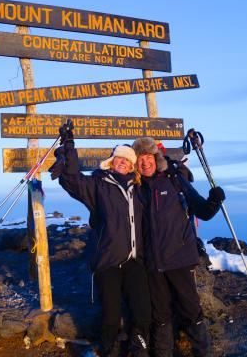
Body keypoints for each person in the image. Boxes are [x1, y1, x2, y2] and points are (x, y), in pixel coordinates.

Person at [49, 122, 151, 357]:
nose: (122, 161)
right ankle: (109, 350)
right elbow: (75, 181)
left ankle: (139, 348)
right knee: (111, 314)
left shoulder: (139, 189)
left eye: (127, 159)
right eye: (119, 158)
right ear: (112, 161)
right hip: (109, 261)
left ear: (132, 165)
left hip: (136, 261)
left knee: (143, 310)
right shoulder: (99, 184)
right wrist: (69, 146)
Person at [132, 137, 225, 357]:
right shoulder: (134, 189)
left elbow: (202, 210)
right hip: (153, 265)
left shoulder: (174, 181)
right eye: (140, 159)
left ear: (156, 158)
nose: (145, 163)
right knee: (161, 316)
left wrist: (215, 200)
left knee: (191, 311)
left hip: (180, 260)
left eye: (148, 158)